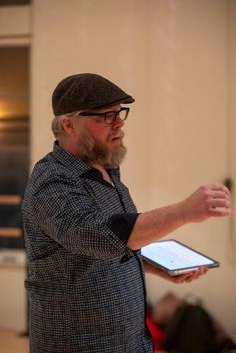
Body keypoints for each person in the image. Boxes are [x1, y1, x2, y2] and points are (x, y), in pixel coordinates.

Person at [22, 73, 231, 353]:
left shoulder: (105, 168)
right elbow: (98, 236)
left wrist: (148, 265)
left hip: (129, 340)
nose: (119, 124)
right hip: (79, 343)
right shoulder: (52, 182)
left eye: (120, 114)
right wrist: (185, 211)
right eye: (105, 117)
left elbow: (100, 251)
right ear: (69, 124)